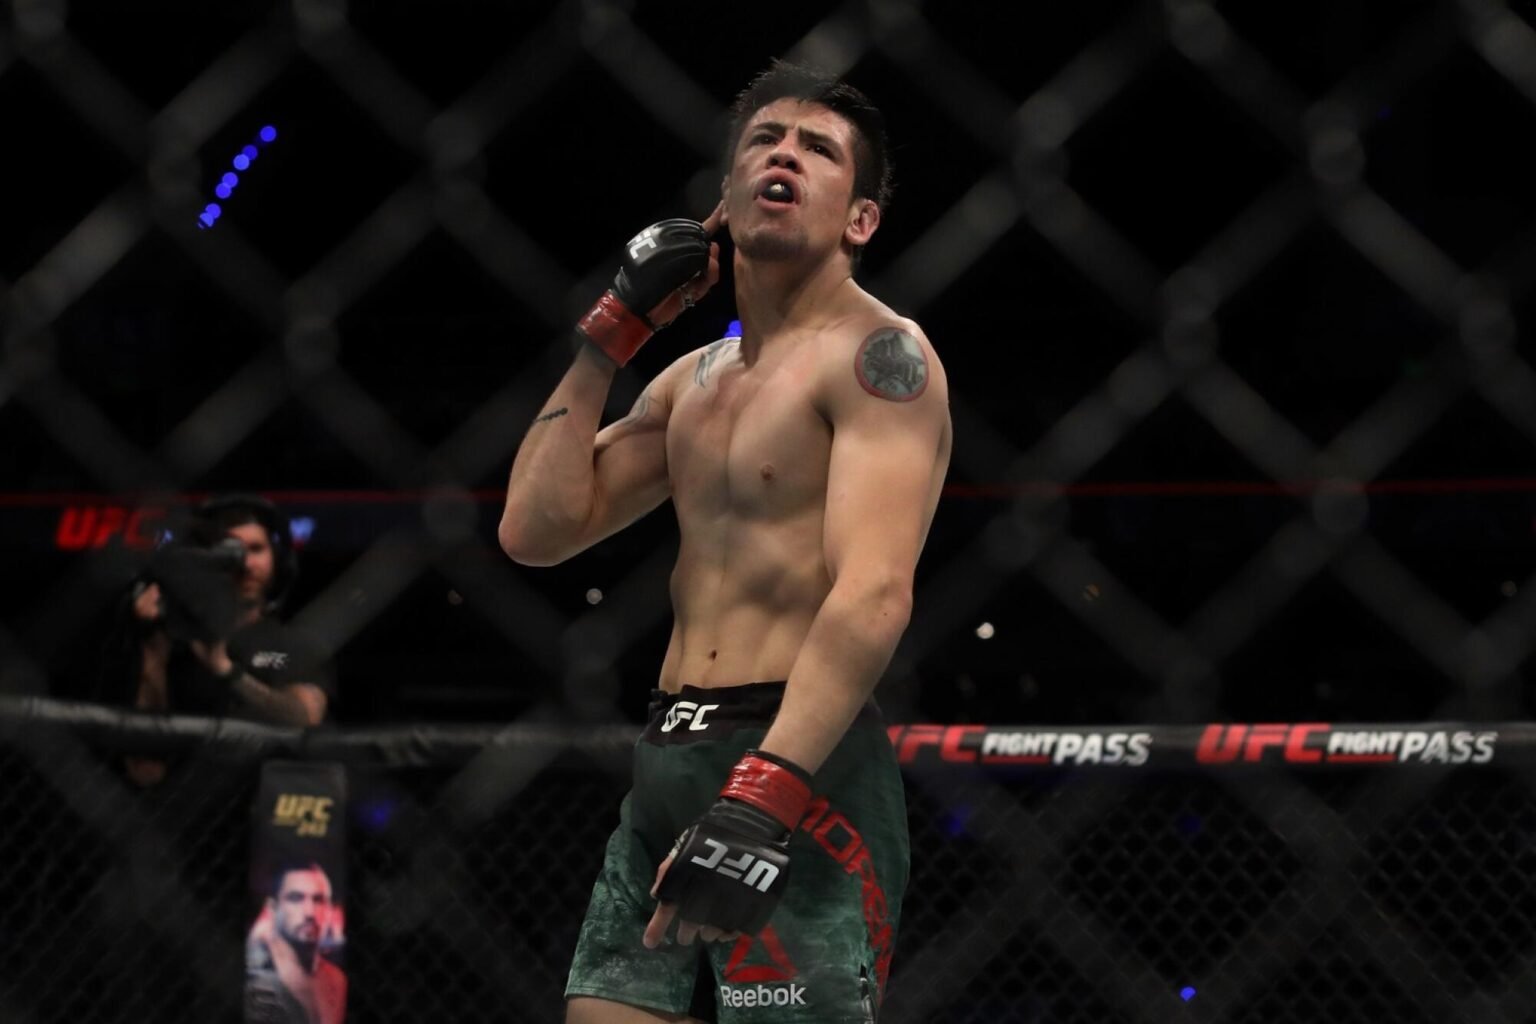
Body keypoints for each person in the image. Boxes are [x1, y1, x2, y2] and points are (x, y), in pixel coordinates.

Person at [500, 60, 951, 1023]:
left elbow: (874, 590)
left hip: (800, 761)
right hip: (666, 751)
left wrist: (766, 790)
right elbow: (535, 531)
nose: (783, 155)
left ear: (860, 220)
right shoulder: (690, 381)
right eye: (764, 141)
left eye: (817, 149)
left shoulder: (881, 357)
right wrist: (612, 335)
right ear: (725, 196)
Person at [95, 495, 333, 785]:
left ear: (277, 559)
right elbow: (144, 770)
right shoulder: (177, 639)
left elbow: (305, 719)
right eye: (230, 551)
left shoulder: (292, 644)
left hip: (267, 797)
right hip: (183, 802)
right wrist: (152, 651)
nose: (245, 563)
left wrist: (225, 669)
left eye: (255, 549)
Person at [246, 860, 348, 1024]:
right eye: (296, 898)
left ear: (329, 909)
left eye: (318, 900)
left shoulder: (337, 979)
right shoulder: (255, 973)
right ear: (273, 907)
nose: (310, 912)